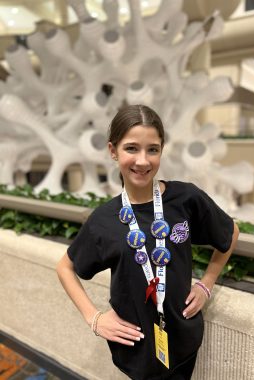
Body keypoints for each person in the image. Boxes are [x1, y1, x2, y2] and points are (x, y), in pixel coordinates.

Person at [56, 104, 239, 380]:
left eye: (152, 149)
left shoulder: (185, 199)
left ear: (161, 151)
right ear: (112, 151)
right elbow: (65, 268)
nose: (143, 161)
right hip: (135, 346)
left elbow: (230, 232)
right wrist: (94, 318)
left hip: (183, 338)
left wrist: (206, 283)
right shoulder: (104, 219)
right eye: (131, 148)